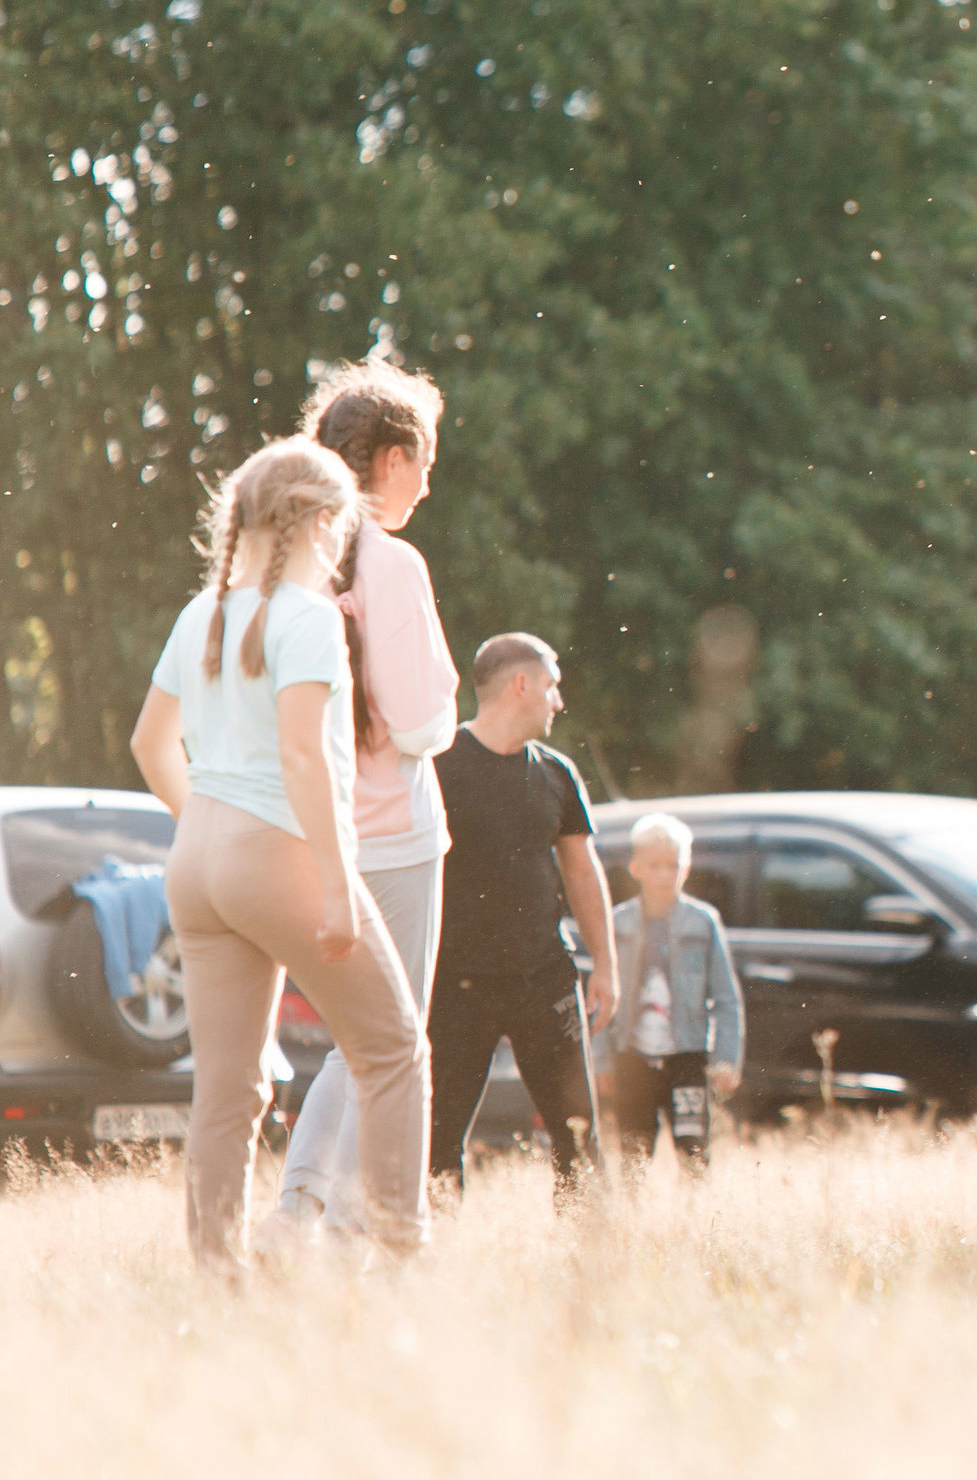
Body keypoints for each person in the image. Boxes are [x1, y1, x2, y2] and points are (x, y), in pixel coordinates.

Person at [128, 437, 430, 1268]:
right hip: (279, 853)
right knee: (393, 1049)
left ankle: (217, 1278)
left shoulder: (202, 614)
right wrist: (336, 885)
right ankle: (404, 1262)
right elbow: (305, 759)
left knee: (226, 1091)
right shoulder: (309, 620)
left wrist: (211, 820)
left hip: (200, 861)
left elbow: (150, 743)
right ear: (325, 521)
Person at [266, 352, 457, 1249]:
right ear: (387, 460)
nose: (428, 479)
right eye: (422, 458)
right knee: (389, 1047)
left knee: (353, 1036)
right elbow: (419, 723)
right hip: (399, 842)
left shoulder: (284, 563)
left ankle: (297, 1207)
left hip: (315, 839)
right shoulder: (395, 561)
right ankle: (345, 1223)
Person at [428, 633, 619, 1204]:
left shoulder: (557, 773)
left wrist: (605, 965)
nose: (558, 701)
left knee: (576, 1133)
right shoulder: (437, 765)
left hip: (543, 979)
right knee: (437, 1138)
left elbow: (583, 874)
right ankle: (428, 1263)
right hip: (455, 985)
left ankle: (590, 1261)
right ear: (522, 685)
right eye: (552, 686)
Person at [603, 814, 744, 1174]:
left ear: (687, 867)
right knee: (633, 1152)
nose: (665, 875)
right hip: (632, 1056)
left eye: (673, 865)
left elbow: (726, 998)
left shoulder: (702, 921)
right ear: (635, 867)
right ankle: (631, 1225)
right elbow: (602, 999)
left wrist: (726, 1058)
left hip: (687, 1055)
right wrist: (601, 1060)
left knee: (693, 1149)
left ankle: (696, 1223)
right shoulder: (617, 924)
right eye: (654, 866)